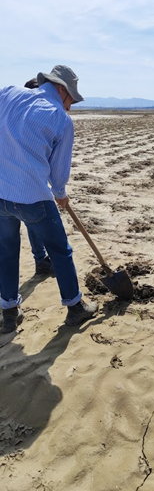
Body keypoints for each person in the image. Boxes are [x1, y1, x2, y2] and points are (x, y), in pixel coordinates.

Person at [0, 65, 98, 333]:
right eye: (71, 100)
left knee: (6, 253)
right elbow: (58, 172)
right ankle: (76, 308)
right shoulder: (60, 119)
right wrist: (60, 195)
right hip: (32, 197)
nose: (70, 107)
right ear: (61, 89)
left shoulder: (8, 93)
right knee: (60, 251)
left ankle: (9, 313)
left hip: (0, 195)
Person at [23, 77, 53, 275]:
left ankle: (41, 260)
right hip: (22, 183)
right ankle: (41, 260)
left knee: (30, 223)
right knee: (32, 222)